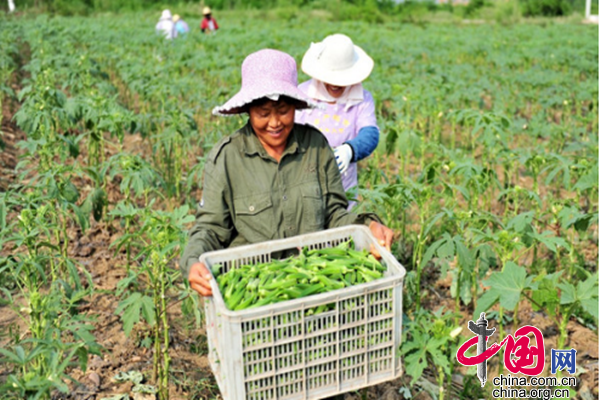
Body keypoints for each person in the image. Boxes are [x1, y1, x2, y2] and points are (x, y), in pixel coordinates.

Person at [180, 49, 394, 297]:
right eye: (263, 113)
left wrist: (368, 226)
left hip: (314, 281)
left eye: (283, 110)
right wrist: (193, 260)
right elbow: (210, 228)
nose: (274, 123)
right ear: (248, 110)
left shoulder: (315, 146)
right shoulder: (227, 158)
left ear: (295, 106)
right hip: (255, 288)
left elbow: (334, 215)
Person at [295, 34, 380, 199]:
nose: (335, 85)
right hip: (303, 180)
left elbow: (370, 133)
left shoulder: (362, 98)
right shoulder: (302, 94)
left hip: (343, 184)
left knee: (342, 220)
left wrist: (350, 150)